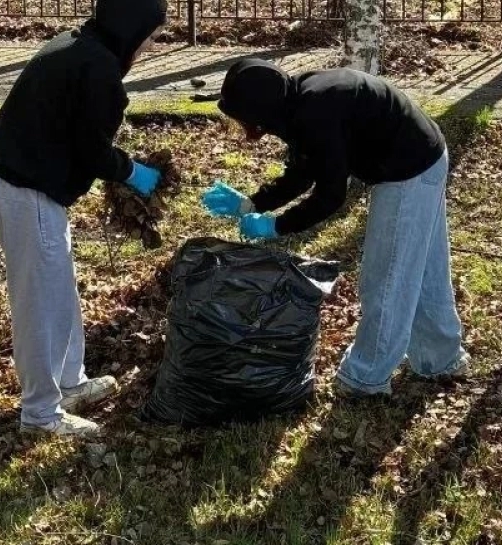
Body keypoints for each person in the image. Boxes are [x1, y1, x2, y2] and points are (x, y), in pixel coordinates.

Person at [201, 59, 469, 397]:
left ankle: (366, 379)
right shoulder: (299, 100)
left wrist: (276, 226)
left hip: (408, 170)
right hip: (423, 155)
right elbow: (304, 170)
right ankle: (441, 359)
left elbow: (330, 195)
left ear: (260, 113)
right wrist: (253, 203)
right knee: (425, 270)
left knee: (385, 278)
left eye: (242, 118)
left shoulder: (314, 113)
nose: (242, 127)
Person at [0, 0, 167, 436]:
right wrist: (132, 172)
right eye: (151, 36)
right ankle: (41, 414)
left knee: (58, 287)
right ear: (132, 29)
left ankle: (68, 381)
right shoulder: (99, 71)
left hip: (14, 180)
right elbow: (91, 150)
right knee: (38, 304)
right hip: (29, 192)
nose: (150, 46)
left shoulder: (74, 43)